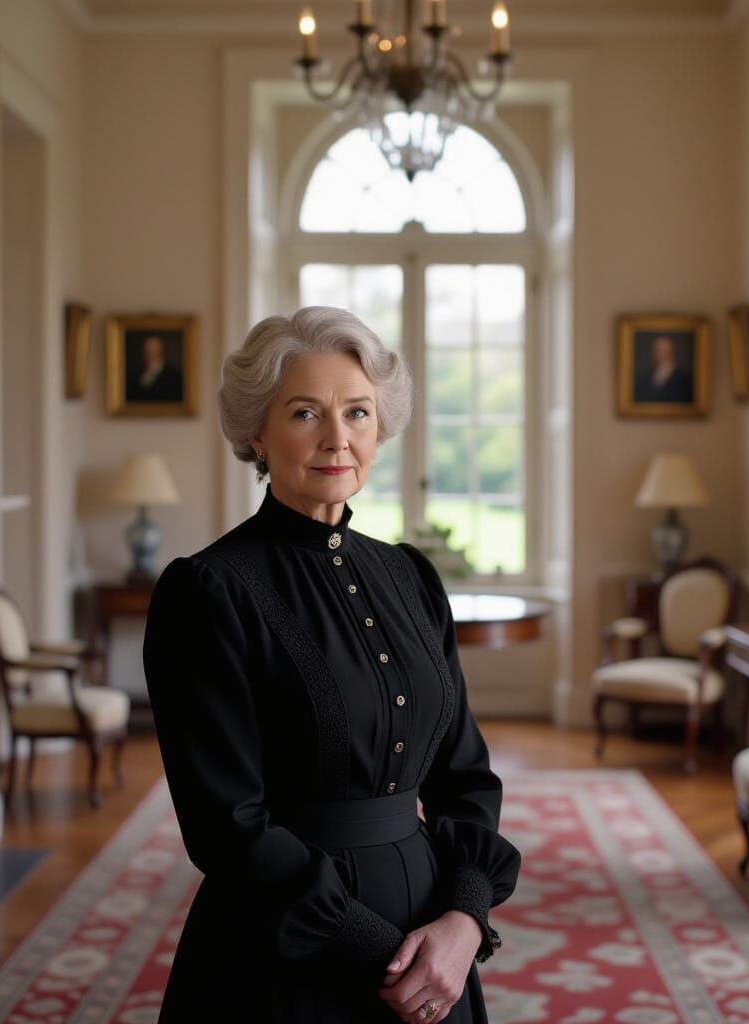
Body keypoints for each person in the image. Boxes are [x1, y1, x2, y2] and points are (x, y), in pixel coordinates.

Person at [142, 306, 521, 1022]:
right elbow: (228, 827)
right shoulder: (208, 592)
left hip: (434, 942)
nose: (337, 438)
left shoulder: (411, 577)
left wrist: (463, 924)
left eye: (357, 412)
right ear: (257, 430)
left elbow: (466, 776)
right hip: (284, 950)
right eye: (306, 412)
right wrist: (386, 952)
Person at [633, 334, 693, 403]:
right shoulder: (643, 378)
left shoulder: (685, 380)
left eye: (664, 350)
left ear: (672, 351)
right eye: (657, 350)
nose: (661, 353)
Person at [128, 334, 183, 402]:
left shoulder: (173, 375)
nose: (149, 355)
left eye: (153, 351)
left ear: (161, 352)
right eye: (147, 351)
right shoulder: (138, 374)